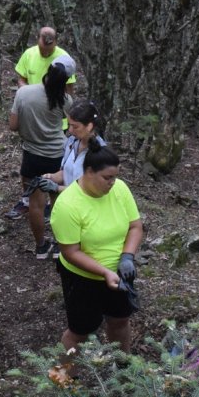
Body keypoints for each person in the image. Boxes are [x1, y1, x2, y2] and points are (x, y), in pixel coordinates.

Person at [50, 145, 143, 361]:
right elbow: (71, 252)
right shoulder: (67, 205)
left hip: (119, 272)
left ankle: (123, 367)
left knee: (120, 320)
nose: (112, 183)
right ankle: (64, 379)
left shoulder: (119, 189)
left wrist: (127, 257)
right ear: (89, 171)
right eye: (107, 178)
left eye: (115, 177)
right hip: (82, 278)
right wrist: (104, 272)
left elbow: (135, 226)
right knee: (80, 332)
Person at [8, 57, 74, 260]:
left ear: (48, 69)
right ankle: (61, 246)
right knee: (58, 202)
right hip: (57, 156)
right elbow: (72, 127)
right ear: (67, 79)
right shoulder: (65, 100)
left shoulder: (24, 93)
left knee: (35, 204)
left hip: (32, 155)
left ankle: (41, 247)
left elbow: (13, 125)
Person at [7, 27, 77, 218]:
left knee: (40, 197)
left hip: (43, 137)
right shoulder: (29, 55)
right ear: (37, 38)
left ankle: (43, 230)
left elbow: (13, 125)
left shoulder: (63, 58)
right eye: (42, 43)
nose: (46, 48)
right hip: (52, 141)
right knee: (46, 190)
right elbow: (21, 77)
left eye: (50, 44)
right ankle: (37, 208)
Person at [44, 99, 105, 192]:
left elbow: (89, 190)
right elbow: (68, 172)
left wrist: (57, 188)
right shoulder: (72, 142)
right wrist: (49, 178)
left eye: (75, 126)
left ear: (89, 126)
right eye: (69, 125)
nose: (70, 130)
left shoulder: (101, 153)